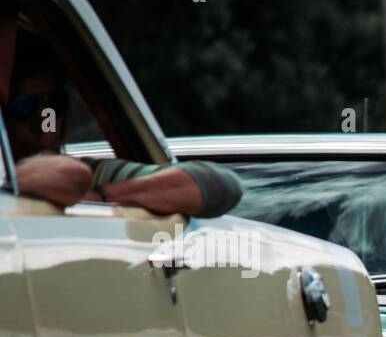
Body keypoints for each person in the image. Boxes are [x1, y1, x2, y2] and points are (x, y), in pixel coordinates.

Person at [3, 30, 241, 217]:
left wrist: (97, 198)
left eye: (54, 104)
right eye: (22, 106)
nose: (45, 128)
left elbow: (219, 184)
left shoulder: (90, 174)